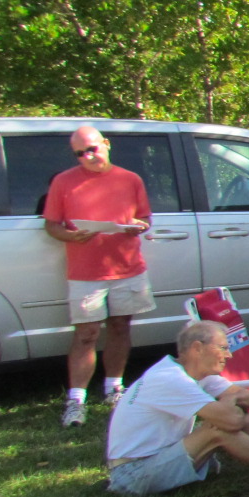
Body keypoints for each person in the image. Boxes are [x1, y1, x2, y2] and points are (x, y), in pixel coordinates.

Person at [104, 320, 249, 495]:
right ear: (197, 348)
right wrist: (228, 404)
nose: (229, 355)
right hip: (131, 475)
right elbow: (232, 420)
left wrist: (228, 403)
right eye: (223, 348)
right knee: (219, 428)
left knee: (229, 418)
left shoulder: (197, 373)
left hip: (156, 458)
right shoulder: (170, 379)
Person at [43, 125, 154, 426]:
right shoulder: (64, 182)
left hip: (127, 267)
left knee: (120, 327)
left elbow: (145, 219)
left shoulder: (130, 179)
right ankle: (76, 400)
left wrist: (137, 226)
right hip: (86, 273)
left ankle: (114, 389)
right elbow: (51, 225)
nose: (88, 156)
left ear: (106, 144)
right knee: (86, 335)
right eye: (80, 153)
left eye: (92, 148)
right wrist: (68, 235)